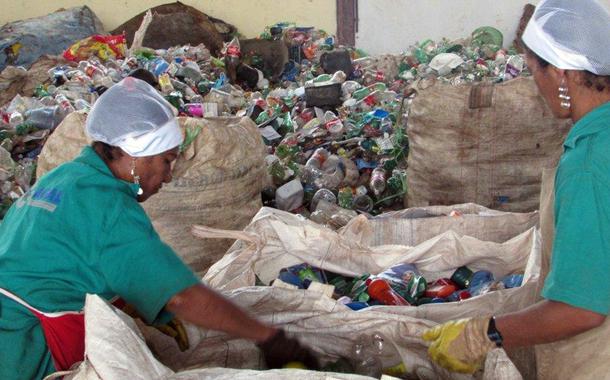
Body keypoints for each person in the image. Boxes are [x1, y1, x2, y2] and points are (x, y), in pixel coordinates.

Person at [0, 77, 318, 380]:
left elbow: (74, 264)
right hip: (20, 350)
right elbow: (181, 297)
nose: (167, 176)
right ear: (135, 155)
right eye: (166, 160)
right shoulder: (108, 207)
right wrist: (269, 337)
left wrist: (138, 305)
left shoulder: (63, 179)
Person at [422, 0, 610, 374]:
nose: (534, 84)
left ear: (559, 73)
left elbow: (582, 309)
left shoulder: (590, 161)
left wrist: (485, 333)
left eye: (533, 70)